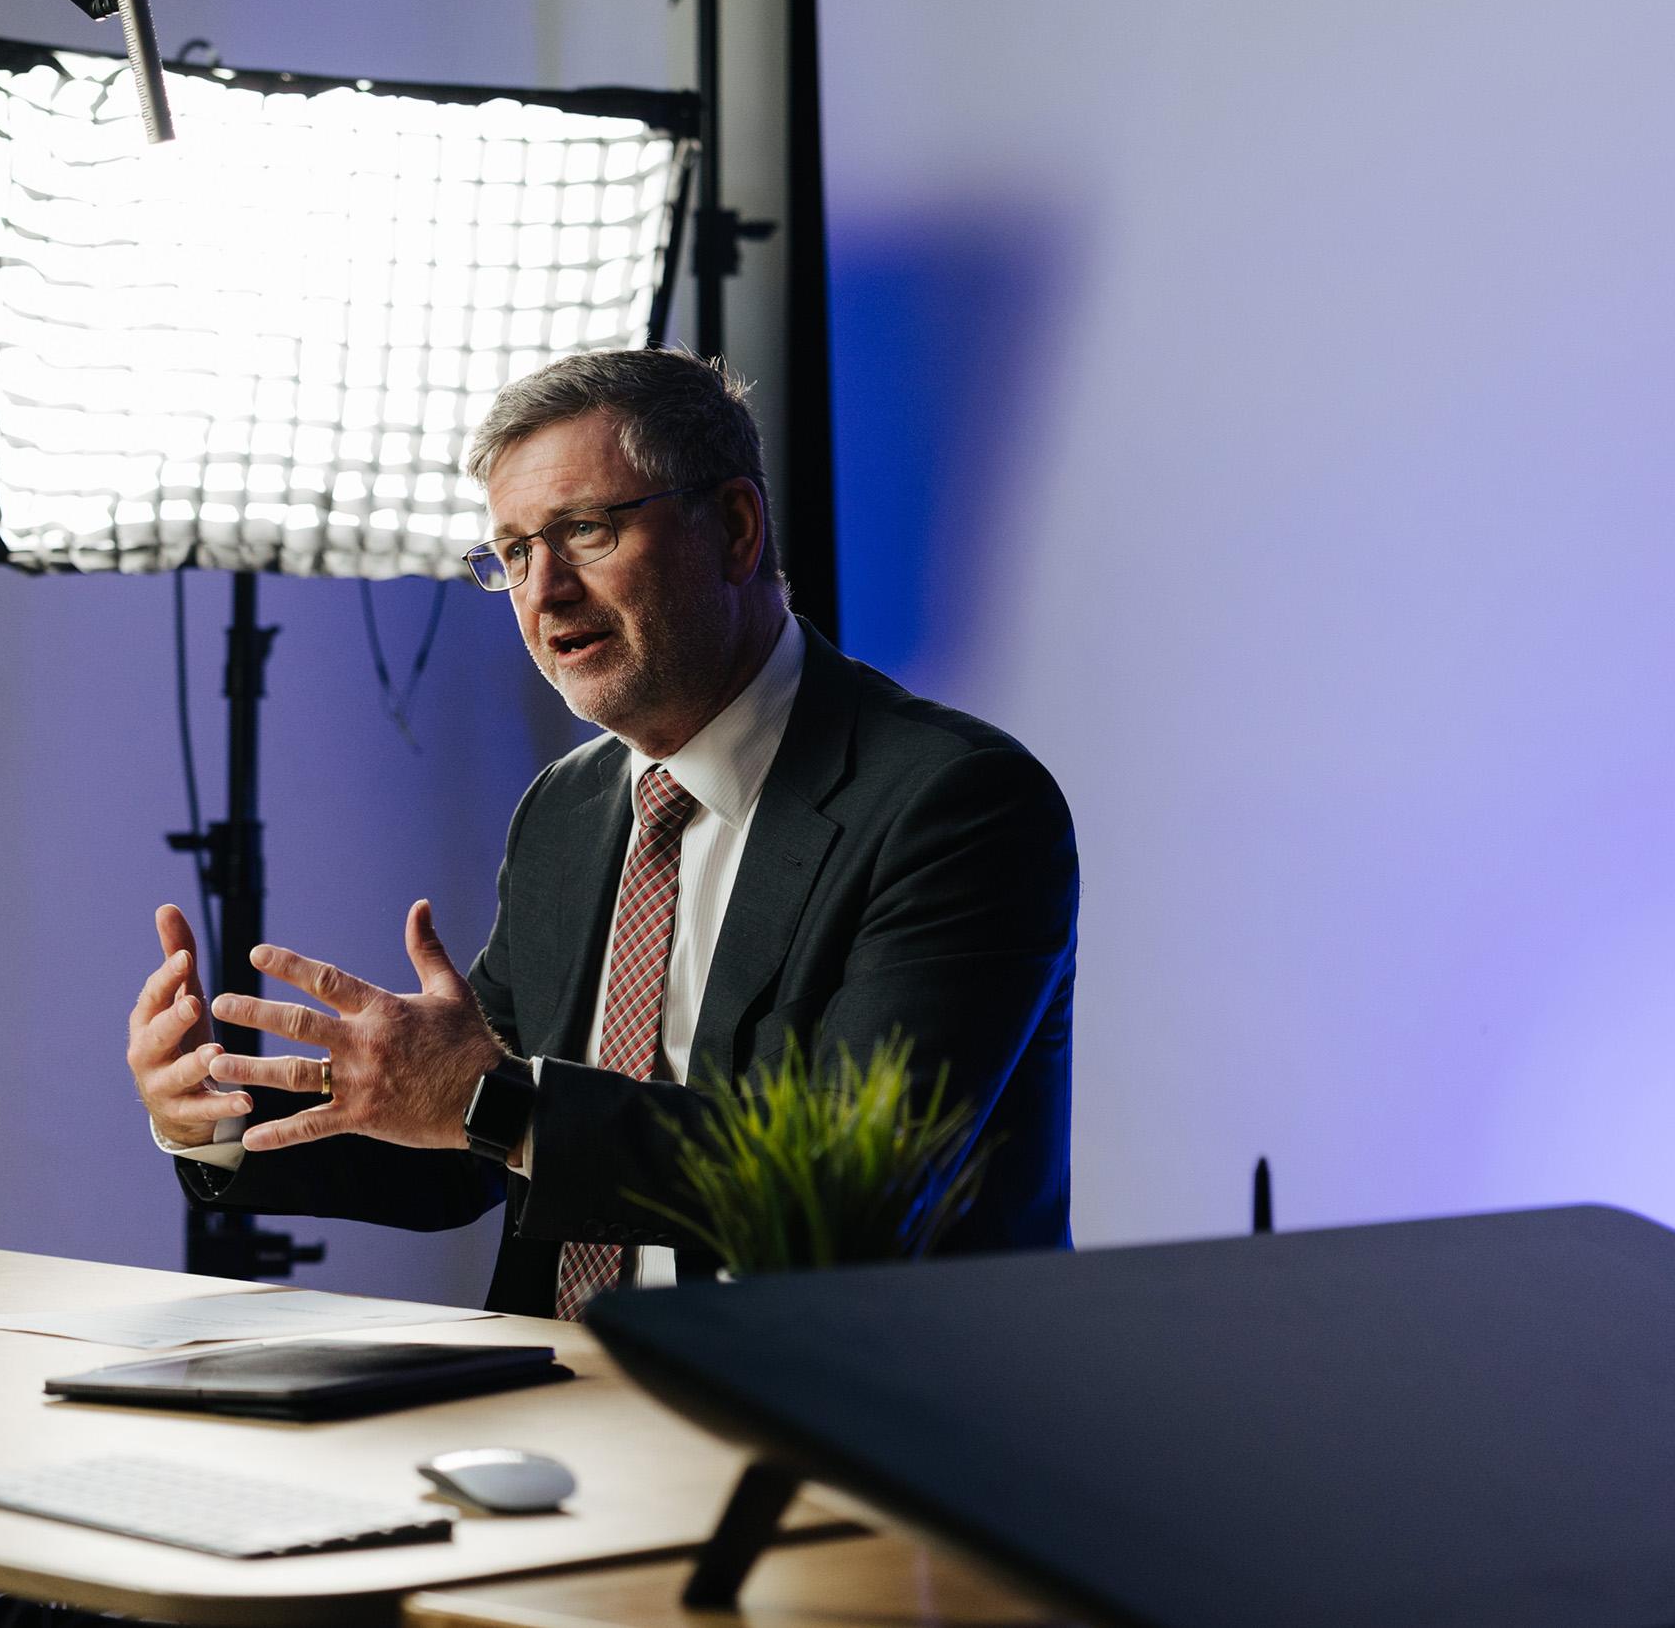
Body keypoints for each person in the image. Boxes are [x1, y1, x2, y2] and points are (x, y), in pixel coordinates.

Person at [127, 348, 1077, 1320]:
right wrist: (215, 1113)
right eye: (511, 554)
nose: (543, 592)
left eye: (582, 531)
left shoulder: (955, 803)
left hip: (845, 1413)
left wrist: (492, 1101)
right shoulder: (566, 810)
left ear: (736, 529)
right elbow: (462, 1146)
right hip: (562, 1396)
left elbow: (848, 1187)